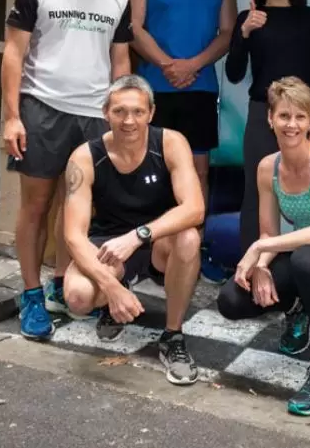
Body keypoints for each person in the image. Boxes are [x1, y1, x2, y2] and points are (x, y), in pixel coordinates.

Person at [1, 0, 132, 340]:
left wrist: (120, 119)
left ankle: (61, 284)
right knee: (36, 206)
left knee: (76, 209)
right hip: (42, 109)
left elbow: (120, 62)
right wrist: (12, 117)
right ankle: (32, 294)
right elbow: (13, 54)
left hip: (93, 116)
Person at [217, 77, 310, 416]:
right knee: (231, 300)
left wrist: (258, 250)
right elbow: (270, 231)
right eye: (284, 116)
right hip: (305, 258)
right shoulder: (267, 168)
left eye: (301, 117)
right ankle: (299, 307)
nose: (292, 124)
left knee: (306, 259)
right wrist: (260, 266)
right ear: (270, 119)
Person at [61, 74, 206, 385]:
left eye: (138, 112)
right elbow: (73, 236)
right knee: (77, 297)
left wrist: (139, 235)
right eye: (120, 112)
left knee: (189, 237)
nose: (129, 121)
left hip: (156, 241)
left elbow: (195, 208)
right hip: (108, 244)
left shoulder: (170, 142)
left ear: (151, 113)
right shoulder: (85, 157)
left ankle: (173, 335)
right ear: (105, 113)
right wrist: (112, 288)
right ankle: (113, 305)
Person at [126, 0, 236, 253]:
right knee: (147, 172)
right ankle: (146, 252)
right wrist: (167, 65)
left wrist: (192, 65)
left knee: (197, 172)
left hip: (200, 87)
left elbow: (227, 33)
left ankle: (193, 248)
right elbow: (134, 27)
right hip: (153, 89)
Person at [225, 0, 310, 253]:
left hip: (303, 120)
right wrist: (243, 32)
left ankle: (304, 269)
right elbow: (233, 72)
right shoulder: (250, 17)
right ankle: (250, 270)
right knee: (256, 193)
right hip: (262, 116)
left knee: (308, 195)